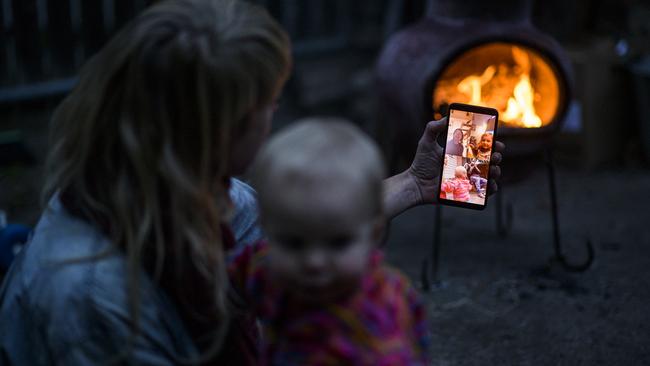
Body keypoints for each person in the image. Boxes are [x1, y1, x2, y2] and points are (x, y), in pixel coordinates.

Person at [0, 0, 504, 364]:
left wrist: (415, 183)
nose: (275, 112)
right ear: (219, 132)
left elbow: (297, 229)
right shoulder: (94, 300)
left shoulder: (181, 186)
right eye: (266, 104)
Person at [230, 118, 429, 365]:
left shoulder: (379, 330)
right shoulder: (268, 269)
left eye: (338, 243)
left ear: (374, 234)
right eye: (294, 243)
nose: (314, 262)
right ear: (268, 230)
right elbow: (236, 277)